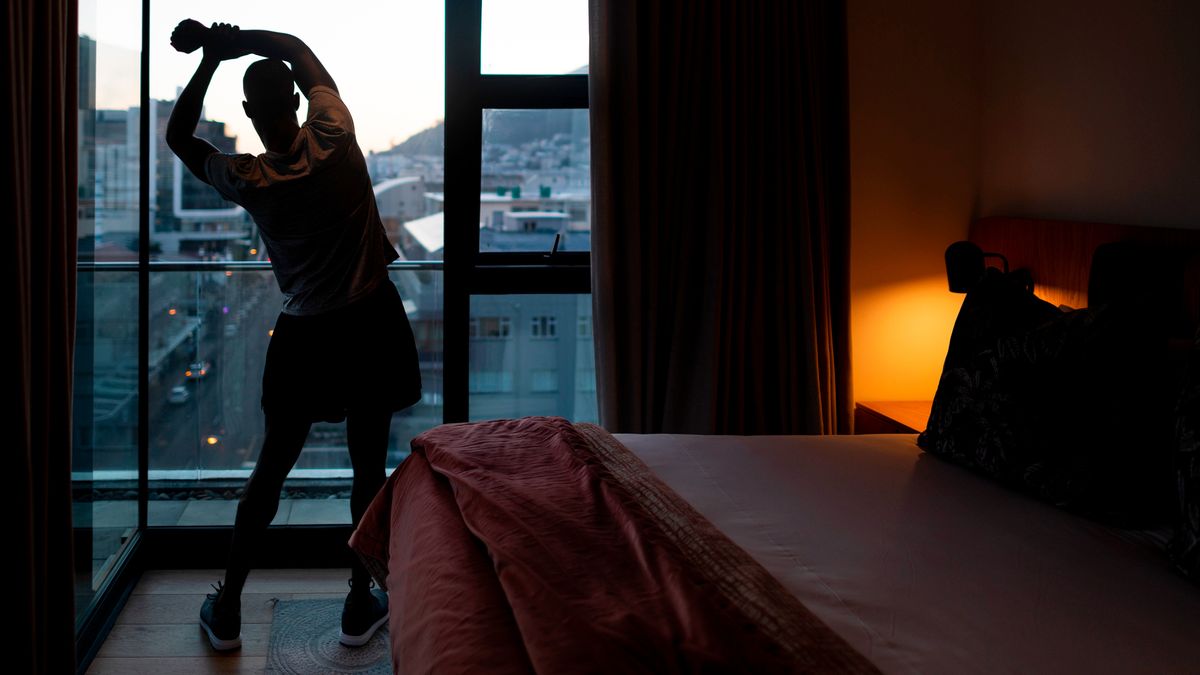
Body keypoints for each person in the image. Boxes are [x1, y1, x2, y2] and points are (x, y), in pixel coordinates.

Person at [166, 19, 422, 651]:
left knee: (271, 472)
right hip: (371, 319)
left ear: (252, 113)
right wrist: (234, 36)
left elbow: (178, 136)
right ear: (300, 104)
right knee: (367, 469)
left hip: (306, 333)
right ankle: (359, 604)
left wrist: (209, 59)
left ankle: (228, 609)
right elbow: (298, 51)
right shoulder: (337, 135)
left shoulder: (249, 178)